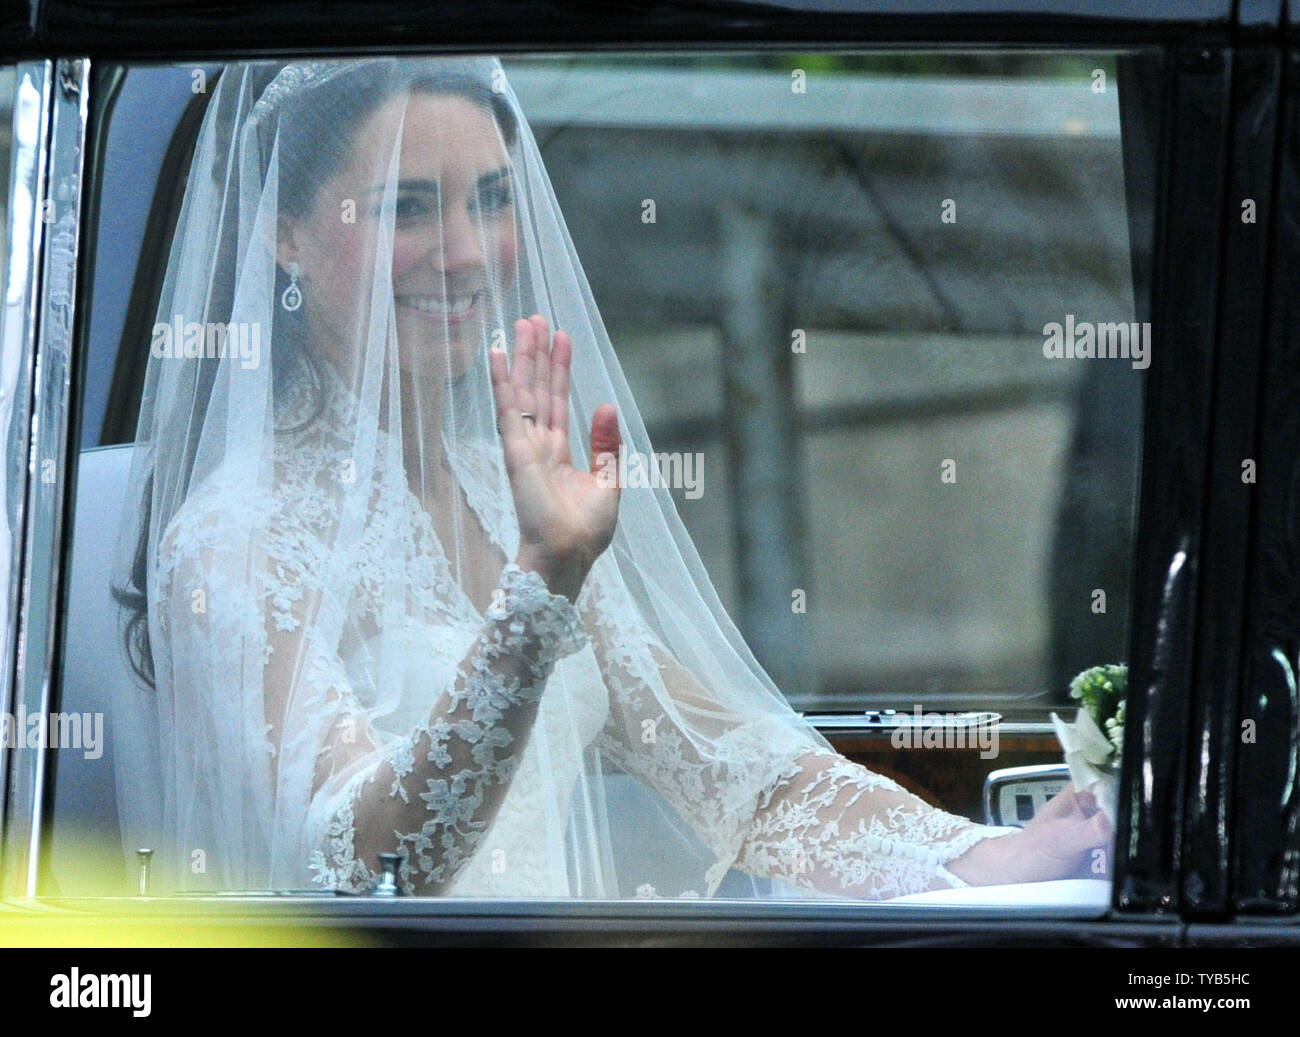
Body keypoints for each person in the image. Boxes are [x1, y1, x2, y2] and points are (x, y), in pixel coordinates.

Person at [112, 56, 1111, 899]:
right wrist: (540, 582)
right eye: (406, 207)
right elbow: (374, 863)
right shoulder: (234, 540)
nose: (466, 254)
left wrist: (982, 852)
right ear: (285, 232)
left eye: (492, 202)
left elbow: (733, 770)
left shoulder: (509, 483)